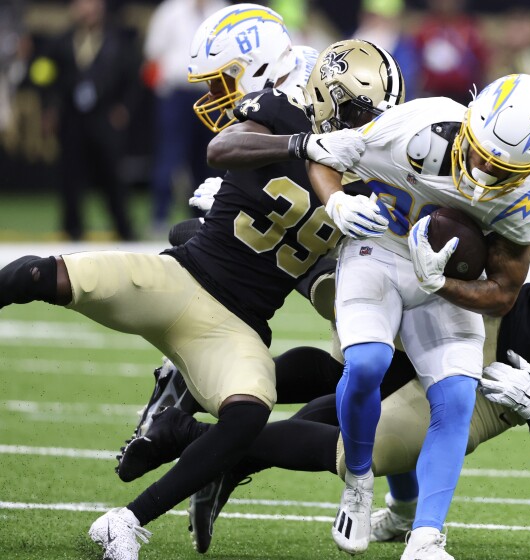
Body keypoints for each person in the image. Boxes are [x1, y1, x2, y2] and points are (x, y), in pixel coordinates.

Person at [122, 132, 530, 557]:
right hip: (492, 314)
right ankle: (220, 259)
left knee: (364, 448)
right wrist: (526, 140)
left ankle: (190, 436)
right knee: (358, 345)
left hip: (507, 394)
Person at [0, 12, 403, 560]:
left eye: (372, 115)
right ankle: (176, 399)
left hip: (238, 329)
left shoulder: (381, 177)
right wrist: (303, 146)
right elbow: (222, 148)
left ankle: (126, 522)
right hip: (181, 277)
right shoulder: (283, 111)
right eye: (357, 112)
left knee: (248, 416)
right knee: (41, 274)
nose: (364, 122)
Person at [304, 73, 530, 559]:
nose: (484, 173)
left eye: (502, 168)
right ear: (467, 122)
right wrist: (336, 202)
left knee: (458, 398)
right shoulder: (419, 126)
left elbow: (505, 292)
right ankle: (358, 481)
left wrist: (443, 283)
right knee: (366, 365)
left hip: (444, 281)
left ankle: (425, 538)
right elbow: (323, 154)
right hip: (378, 248)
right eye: (481, 154)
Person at [40, 0, 139, 241]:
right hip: (72, 118)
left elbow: (133, 77)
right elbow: (45, 76)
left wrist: (124, 108)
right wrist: (50, 108)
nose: (88, 10)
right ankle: (72, 229)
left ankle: (124, 228)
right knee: (70, 175)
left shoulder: (118, 40)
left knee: (111, 174)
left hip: (104, 117)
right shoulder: (61, 41)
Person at [143, 0, 228, 236]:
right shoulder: (171, 10)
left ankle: (205, 219)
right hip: (176, 93)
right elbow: (152, 53)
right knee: (170, 156)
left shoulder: (222, 11)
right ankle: (159, 217)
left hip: (211, 95)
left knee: (210, 157)